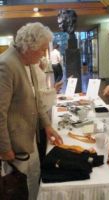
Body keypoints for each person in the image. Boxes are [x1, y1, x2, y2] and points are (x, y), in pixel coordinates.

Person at [0, 22, 63, 200]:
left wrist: (47, 126)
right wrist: (4, 148)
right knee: (17, 188)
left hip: (29, 137)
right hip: (14, 143)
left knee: (33, 179)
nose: (44, 54)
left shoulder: (27, 62)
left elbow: (36, 100)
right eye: (42, 50)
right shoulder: (6, 65)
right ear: (29, 47)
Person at [33, 57, 63, 165]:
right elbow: (37, 96)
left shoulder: (34, 63)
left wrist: (53, 90)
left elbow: (39, 93)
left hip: (41, 111)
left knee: (42, 142)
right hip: (34, 115)